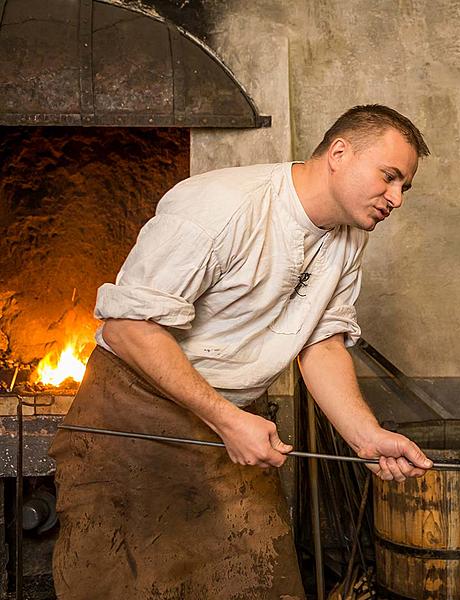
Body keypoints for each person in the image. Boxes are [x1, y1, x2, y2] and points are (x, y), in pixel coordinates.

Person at [49, 104, 435, 600]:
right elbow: (127, 326)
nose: (396, 198)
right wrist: (228, 420)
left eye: (404, 187)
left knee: (262, 582)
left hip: (231, 423)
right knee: (117, 582)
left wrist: (366, 436)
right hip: (132, 421)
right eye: (390, 177)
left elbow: (320, 342)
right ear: (339, 152)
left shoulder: (348, 237)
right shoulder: (221, 205)